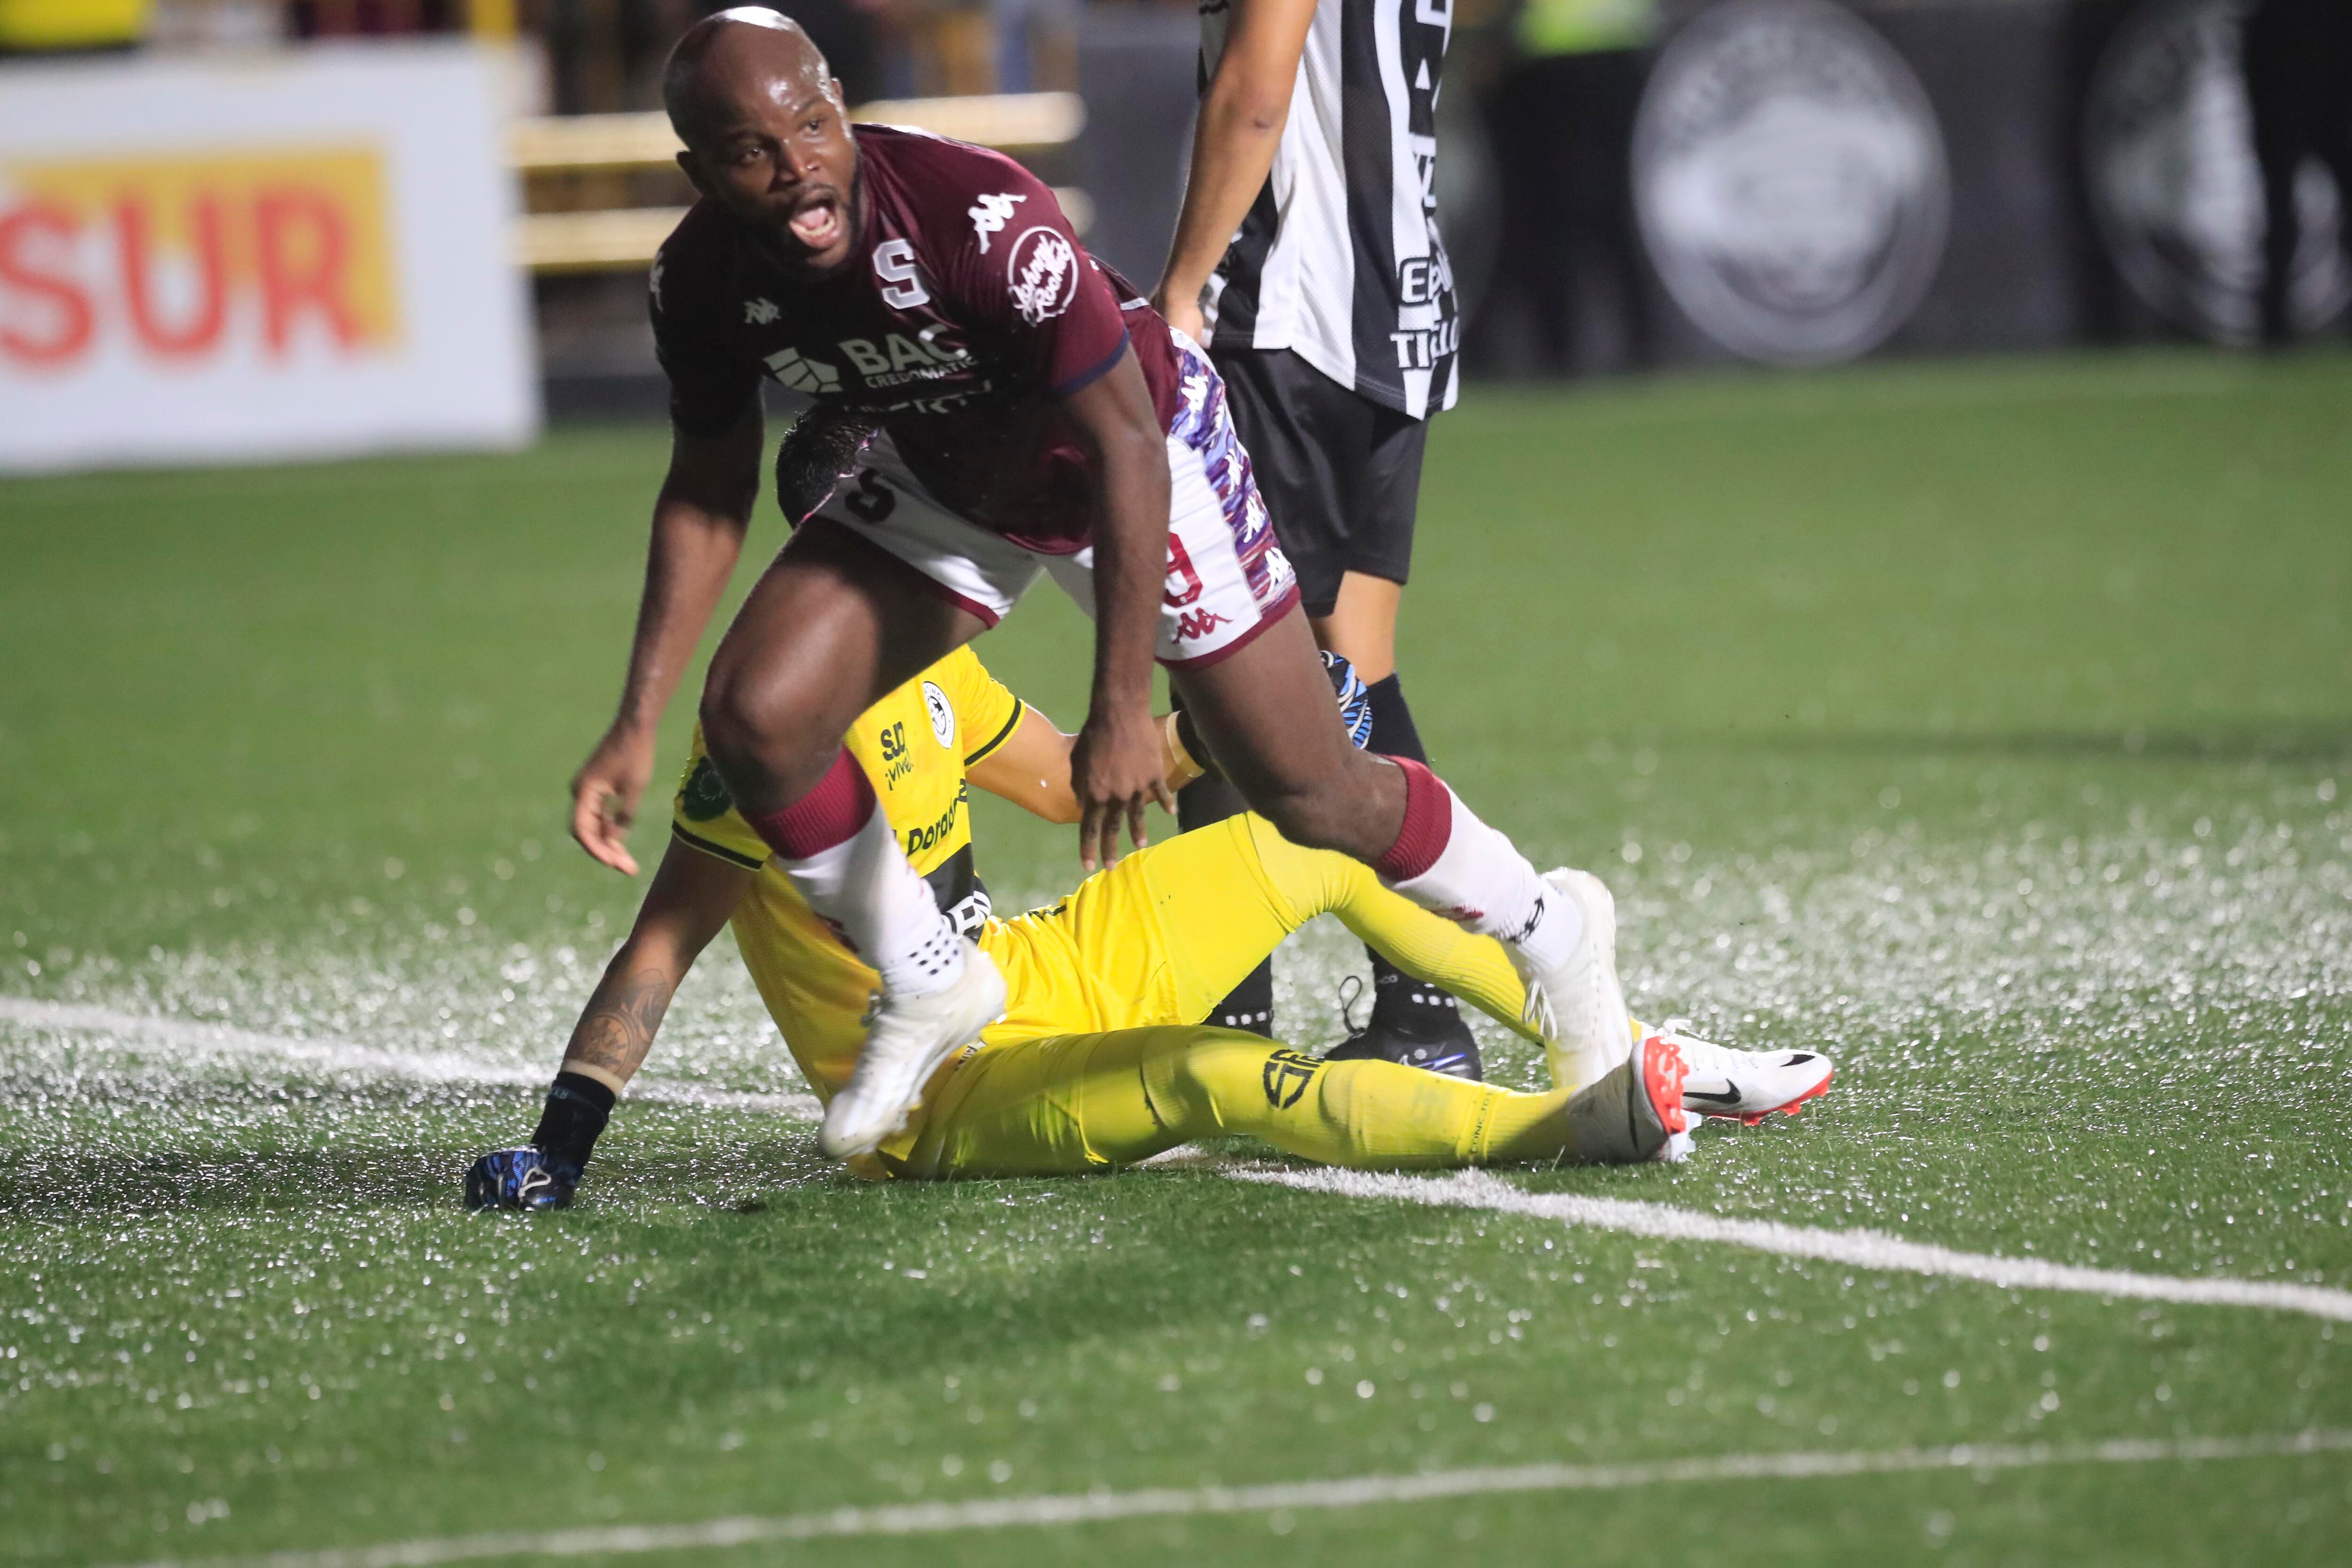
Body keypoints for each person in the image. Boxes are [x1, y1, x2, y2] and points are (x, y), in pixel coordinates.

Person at [564, 8, 1661, 1165]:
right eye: (750, 150)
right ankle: (930, 978)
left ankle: (1551, 926)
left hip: (1141, 454)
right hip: (952, 471)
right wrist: (637, 721)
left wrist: (1122, 709)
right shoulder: (697, 279)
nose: (795, 169)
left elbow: (1127, 448)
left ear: (840, 104)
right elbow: (704, 487)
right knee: (754, 715)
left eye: (810, 125)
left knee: (1314, 794)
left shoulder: (973, 218)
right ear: (698, 170)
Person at [472, 635, 1832, 1208]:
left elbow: (1073, 781)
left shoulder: (935, 659)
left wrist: (1237, 724)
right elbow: (659, 950)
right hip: (938, 1096)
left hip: (1034, 969)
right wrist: (559, 1145)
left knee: (1323, 841)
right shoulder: (756, 746)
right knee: (1205, 1074)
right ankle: (1575, 1126)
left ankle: (1609, 1039)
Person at [1149, 0, 1476, 1073]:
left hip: (1285, 317)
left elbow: (1257, 89)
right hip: (1396, 307)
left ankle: (1224, 1020)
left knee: (1219, 661)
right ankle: (1426, 1013)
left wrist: (1184, 288)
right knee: (1353, 672)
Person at [2241, 0, 2352, 345]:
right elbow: (2255, 60)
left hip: (2328, 103)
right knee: (2280, 219)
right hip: (2286, 105)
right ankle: (2274, 327)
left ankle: (2274, 328)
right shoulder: (2276, 16)